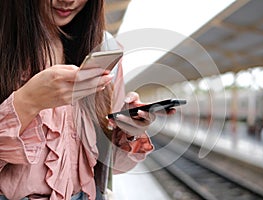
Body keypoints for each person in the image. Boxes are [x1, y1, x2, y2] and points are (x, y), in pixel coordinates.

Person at [0, 0, 168, 199]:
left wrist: (129, 130)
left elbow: (108, 164)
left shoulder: (104, 48)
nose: (68, 0)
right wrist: (28, 102)